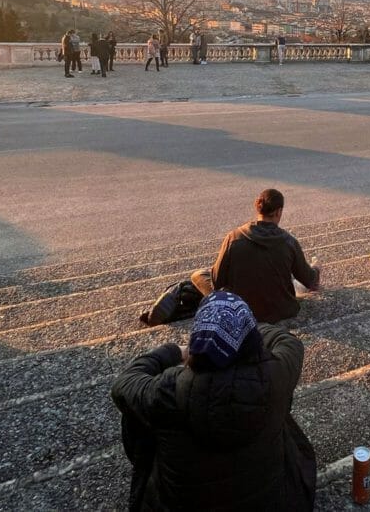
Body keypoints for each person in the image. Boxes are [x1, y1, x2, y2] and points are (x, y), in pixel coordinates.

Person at [112, 291, 316, 512]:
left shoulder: (167, 390)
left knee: (137, 409)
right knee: (277, 401)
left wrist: (173, 351)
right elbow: (287, 341)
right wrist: (244, 325)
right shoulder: (275, 374)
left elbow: (124, 383)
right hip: (275, 504)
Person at [190, 188, 321, 324]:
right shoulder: (289, 242)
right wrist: (316, 268)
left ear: (257, 208)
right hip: (283, 310)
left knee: (198, 275)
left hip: (241, 311)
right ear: (278, 211)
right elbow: (309, 280)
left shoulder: (233, 238)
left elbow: (216, 281)